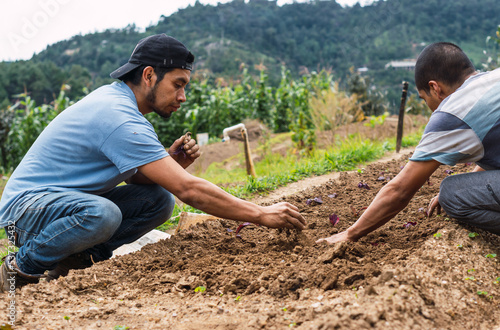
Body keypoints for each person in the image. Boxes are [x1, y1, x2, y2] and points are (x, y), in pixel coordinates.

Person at [0, 34, 306, 292]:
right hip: (26, 211)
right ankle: (19, 268)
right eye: (178, 84)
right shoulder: (119, 117)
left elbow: (137, 182)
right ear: (149, 76)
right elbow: (189, 190)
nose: (183, 96)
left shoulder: (121, 106)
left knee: (158, 200)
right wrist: (261, 213)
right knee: (102, 213)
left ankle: (77, 259)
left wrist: (172, 162)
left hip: (55, 206)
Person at [318, 42, 500, 245]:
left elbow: (400, 190)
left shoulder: (452, 112)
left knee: (451, 193)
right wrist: (471, 188)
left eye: (424, 98)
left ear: (434, 88)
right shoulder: (493, 79)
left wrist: (349, 234)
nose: (428, 106)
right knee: (459, 191)